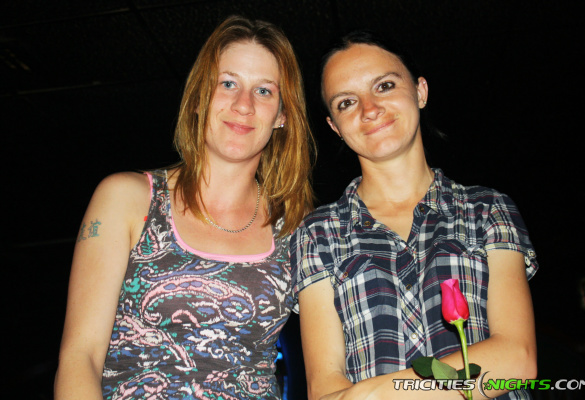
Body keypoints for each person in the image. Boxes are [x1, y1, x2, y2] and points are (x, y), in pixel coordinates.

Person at [55, 15, 314, 400]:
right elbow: (81, 357)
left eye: (263, 91)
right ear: (198, 99)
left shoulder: (298, 228)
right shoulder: (127, 199)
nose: (243, 105)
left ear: (282, 115)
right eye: (228, 83)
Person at [291, 31, 538, 400]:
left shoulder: (487, 209)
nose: (369, 109)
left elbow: (516, 359)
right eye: (346, 102)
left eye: (384, 86)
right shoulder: (317, 234)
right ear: (334, 127)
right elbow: (326, 386)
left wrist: (374, 395)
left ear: (420, 91)